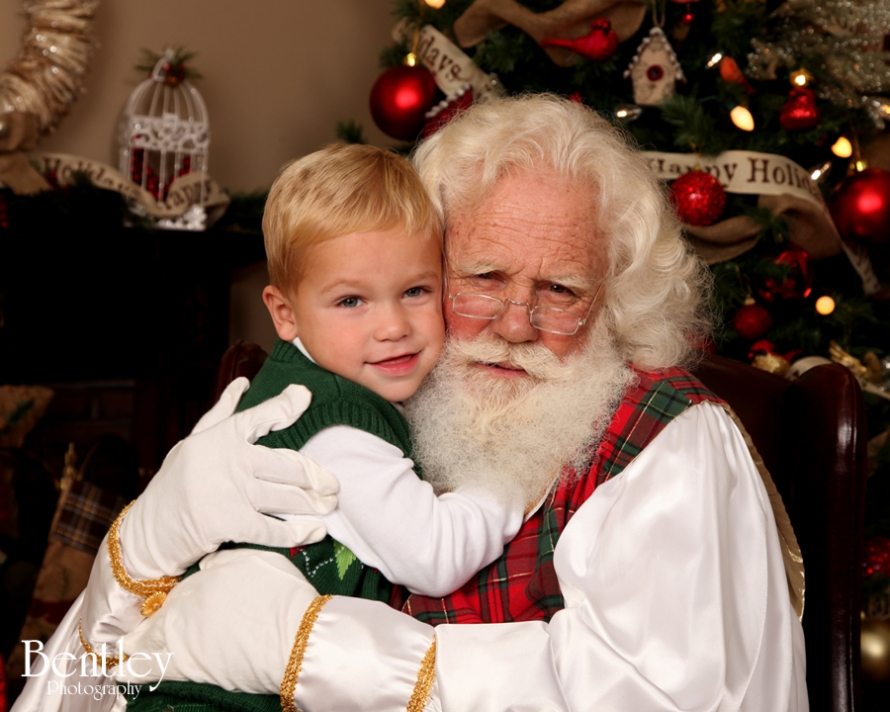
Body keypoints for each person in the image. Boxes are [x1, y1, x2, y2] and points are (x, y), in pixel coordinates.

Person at [14, 94, 808, 712]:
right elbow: (96, 666)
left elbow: (658, 696)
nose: (514, 323)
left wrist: (310, 644)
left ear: (613, 300)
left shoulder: (669, 444)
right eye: (483, 276)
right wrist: (153, 539)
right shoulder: (370, 391)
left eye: (561, 289)